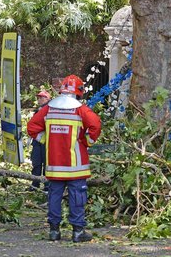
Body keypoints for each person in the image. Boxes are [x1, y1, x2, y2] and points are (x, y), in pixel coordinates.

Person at [27, 75, 102, 243]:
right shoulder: (80, 110)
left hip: (54, 164)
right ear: (79, 92)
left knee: (54, 196)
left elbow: (32, 127)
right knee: (77, 196)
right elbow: (95, 124)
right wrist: (87, 141)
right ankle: (77, 232)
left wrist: (47, 139)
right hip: (76, 165)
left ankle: (54, 232)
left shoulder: (48, 109)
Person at [29, 90, 52, 191]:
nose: (39, 99)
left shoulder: (50, 110)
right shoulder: (37, 111)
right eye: (38, 98)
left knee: (47, 163)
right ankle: (35, 184)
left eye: (42, 97)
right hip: (37, 141)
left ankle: (46, 185)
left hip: (47, 141)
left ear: (48, 99)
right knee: (36, 163)